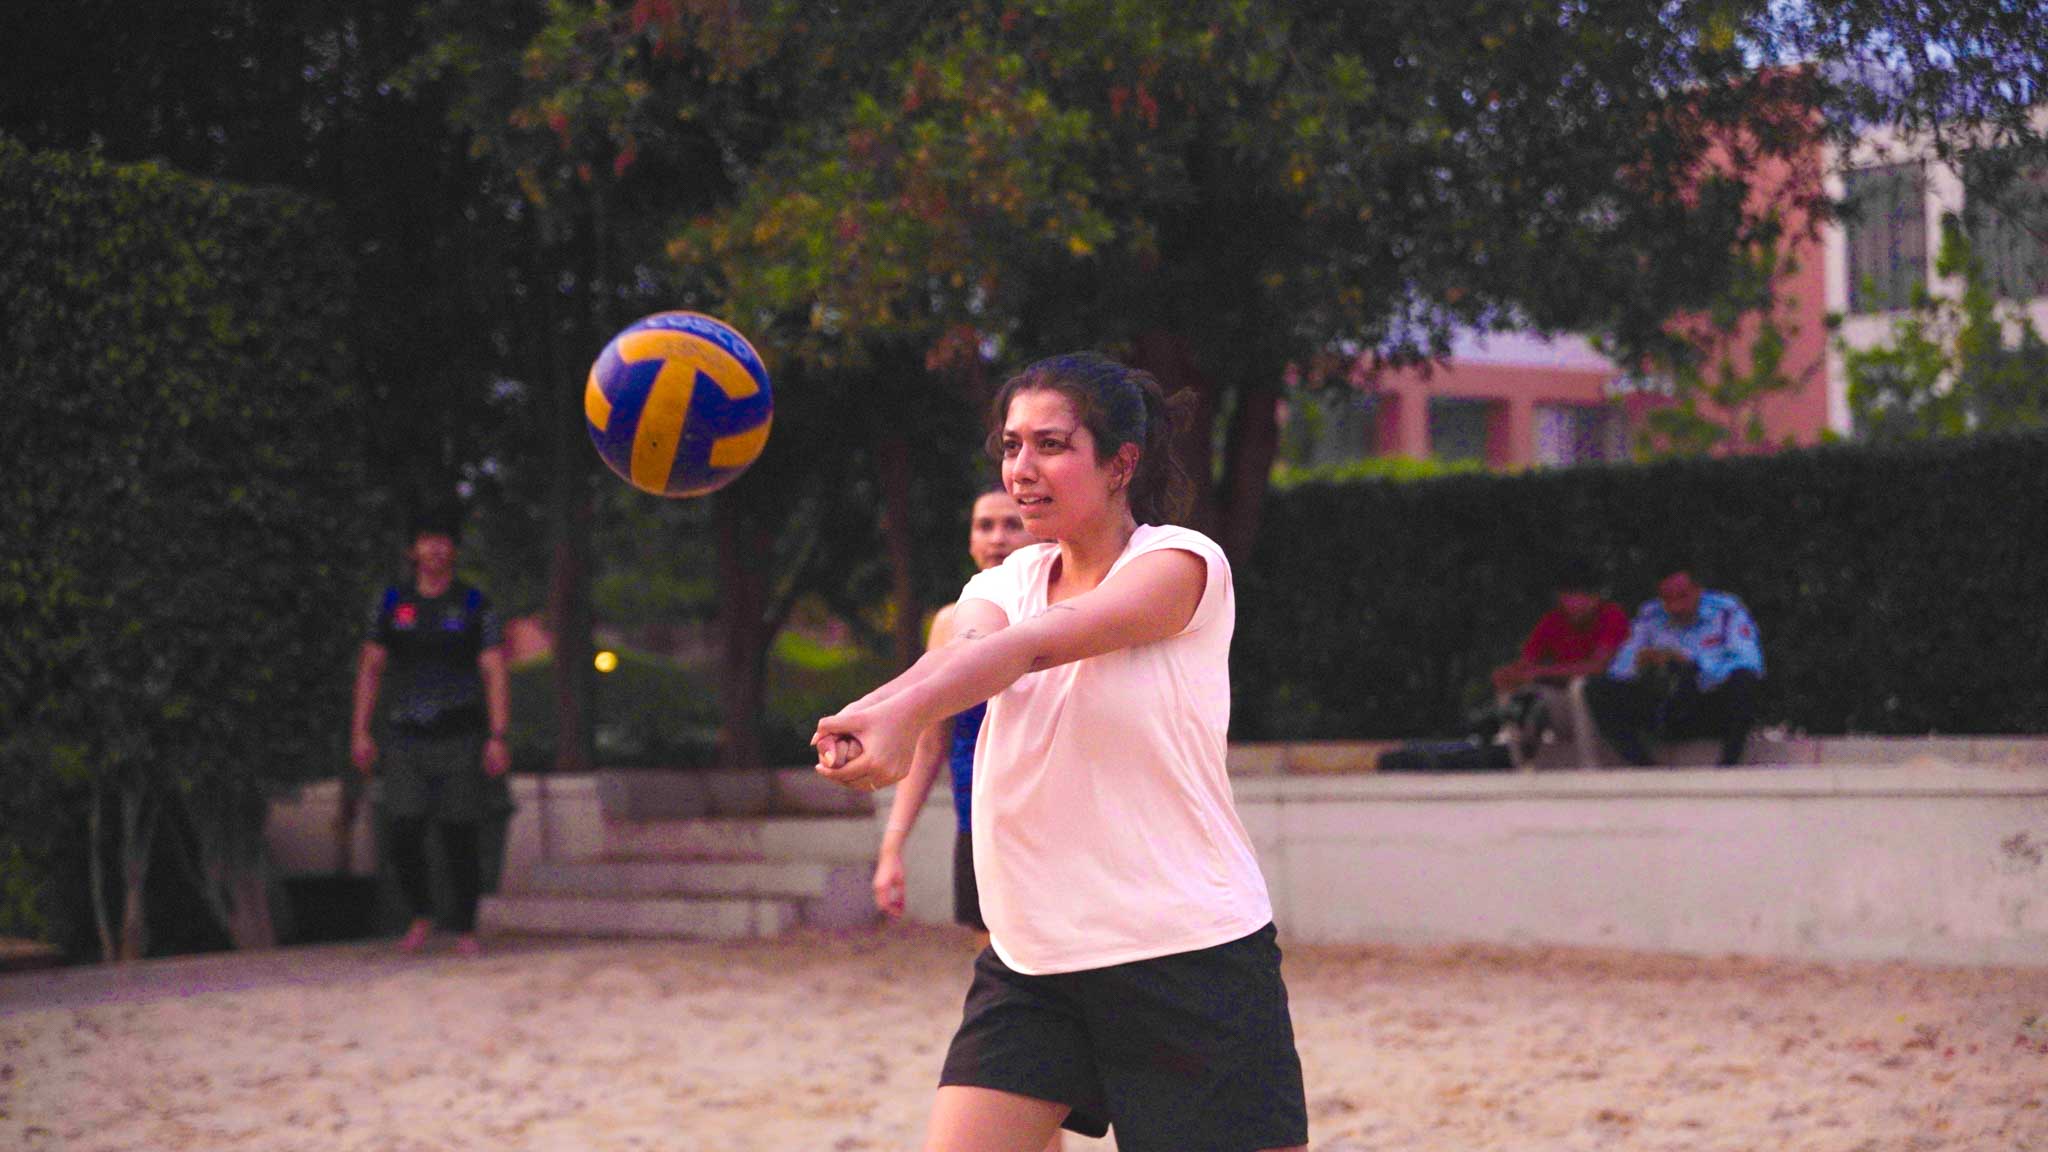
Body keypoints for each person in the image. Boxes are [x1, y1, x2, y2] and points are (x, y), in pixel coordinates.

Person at [813, 353, 1309, 1152]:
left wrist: (900, 712)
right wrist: (871, 714)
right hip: (1034, 963)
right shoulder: (1000, 585)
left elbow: (1034, 646)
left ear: (1121, 464)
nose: (1022, 468)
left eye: (1051, 445)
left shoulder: (1179, 563)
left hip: (1186, 954)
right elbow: (962, 655)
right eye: (1011, 446)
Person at [350, 510, 511, 956]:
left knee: (461, 832)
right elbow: (371, 668)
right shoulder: (392, 602)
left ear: (454, 550)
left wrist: (498, 735)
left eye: (444, 540)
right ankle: (420, 914)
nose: (436, 548)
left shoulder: (474, 603)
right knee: (402, 828)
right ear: (412, 550)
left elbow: (494, 670)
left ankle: (464, 926)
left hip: (460, 734)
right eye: (427, 539)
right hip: (405, 735)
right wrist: (360, 731)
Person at [872, 487, 1035, 929]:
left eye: (1012, 524)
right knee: (991, 959)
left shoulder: (1064, 615)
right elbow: (929, 746)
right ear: (970, 542)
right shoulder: (949, 624)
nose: (997, 538)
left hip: (1051, 826)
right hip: (977, 825)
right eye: (985, 526)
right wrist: (892, 849)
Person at [1585, 570, 1764, 767]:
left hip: (1707, 701)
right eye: (1667, 598)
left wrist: (1694, 664)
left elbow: (1748, 661)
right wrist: (1642, 661)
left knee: (1744, 680)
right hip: (1666, 705)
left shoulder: (1726, 612)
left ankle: (1729, 763)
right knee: (1598, 688)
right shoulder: (1650, 616)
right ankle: (1644, 765)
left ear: (1698, 591)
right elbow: (1620, 670)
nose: (1676, 606)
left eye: (1682, 596)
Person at [1489, 564, 1629, 767]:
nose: (1572, 603)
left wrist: (1541, 672)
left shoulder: (1612, 616)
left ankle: (1589, 765)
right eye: (1567, 596)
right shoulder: (1553, 621)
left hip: (1605, 705)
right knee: (1520, 695)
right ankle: (1518, 760)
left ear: (1594, 597)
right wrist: (1510, 676)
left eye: (1579, 596)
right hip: (1564, 706)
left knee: (1580, 688)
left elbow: (1597, 668)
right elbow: (1526, 665)